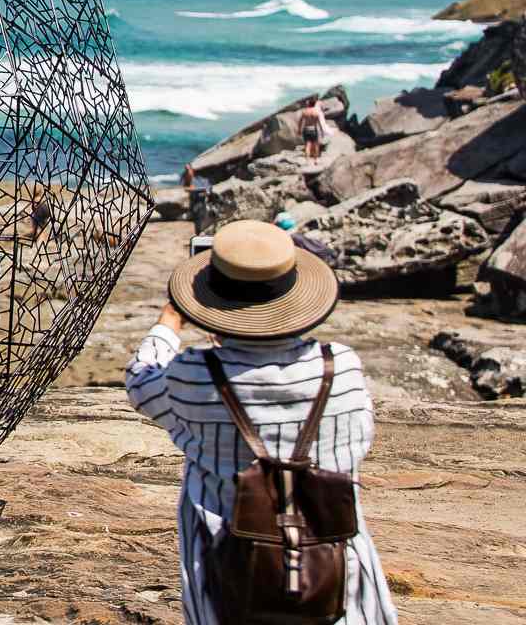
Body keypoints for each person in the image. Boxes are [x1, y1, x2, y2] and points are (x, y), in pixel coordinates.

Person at [125, 220, 398, 623]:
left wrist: (171, 320)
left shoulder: (194, 375)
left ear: (209, 299)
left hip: (228, 582)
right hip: (338, 577)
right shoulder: (341, 366)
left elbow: (140, 381)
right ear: (296, 297)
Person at [181, 164, 212, 236]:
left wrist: (204, 191)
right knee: (196, 216)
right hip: (193, 201)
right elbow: (185, 188)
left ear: (192, 170)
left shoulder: (198, 179)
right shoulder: (185, 179)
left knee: (200, 212)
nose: (187, 172)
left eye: (188, 170)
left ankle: (200, 232)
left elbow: (207, 188)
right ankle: (198, 232)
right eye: (186, 170)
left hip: (200, 201)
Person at [298, 96, 329, 162]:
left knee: (307, 145)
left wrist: (299, 130)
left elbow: (300, 122)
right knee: (316, 145)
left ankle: (307, 161)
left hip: (306, 129)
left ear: (309, 104)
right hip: (314, 130)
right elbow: (319, 123)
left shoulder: (305, 112)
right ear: (314, 104)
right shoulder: (316, 113)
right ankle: (316, 160)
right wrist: (322, 131)